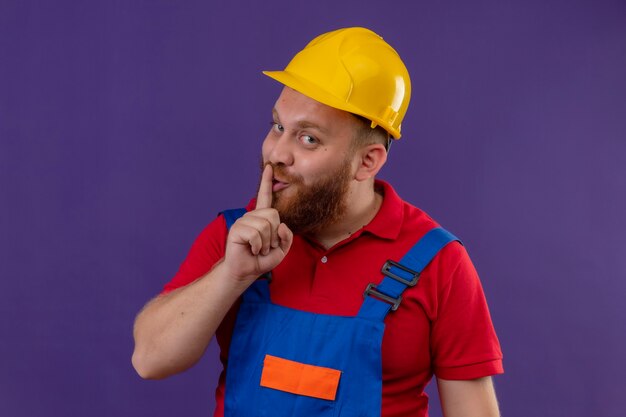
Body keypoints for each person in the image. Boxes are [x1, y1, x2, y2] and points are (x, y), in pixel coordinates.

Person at [132, 27, 503, 417]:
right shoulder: (235, 237)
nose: (277, 153)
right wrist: (232, 274)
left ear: (367, 162)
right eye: (278, 127)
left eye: (308, 139)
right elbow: (150, 360)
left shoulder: (437, 263)